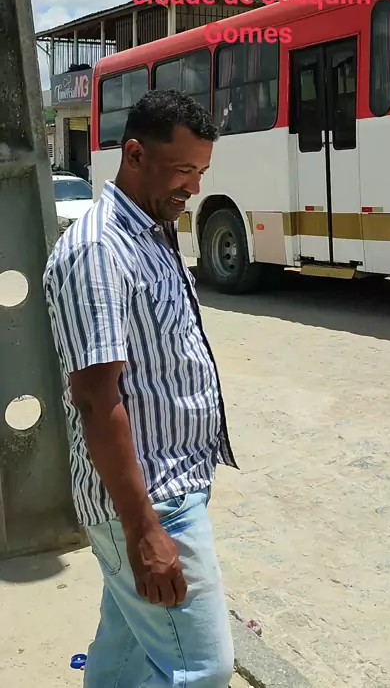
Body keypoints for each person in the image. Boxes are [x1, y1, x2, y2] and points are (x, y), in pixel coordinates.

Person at [43, 89, 237, 688]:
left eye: (200, 172)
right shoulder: (99, 250)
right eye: (183, 170)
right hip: (154, 500)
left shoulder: (151, 232)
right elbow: (96, 400)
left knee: (123, 659)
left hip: (169, 484)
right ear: (134, 155)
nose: (194, 188)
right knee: (202, 669)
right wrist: (144, 530)